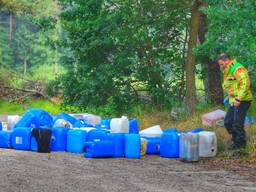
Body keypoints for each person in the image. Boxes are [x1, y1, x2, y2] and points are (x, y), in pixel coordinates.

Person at [217, 53, 253, 150]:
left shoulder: (237, 68)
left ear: (226, 60)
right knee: (228, 122)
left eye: (221, 64)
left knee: (237, 124)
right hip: (234, 100)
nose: (221, 66)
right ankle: (236, 139)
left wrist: (238, 98)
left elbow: (245, 83)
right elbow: (233, 85)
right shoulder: (228, 70)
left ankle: (240, 147)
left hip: (243, 100)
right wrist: (230, 97)